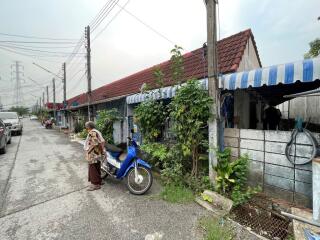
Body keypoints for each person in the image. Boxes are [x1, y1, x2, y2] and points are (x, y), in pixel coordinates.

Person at [83, 121, 105, 191]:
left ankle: (95, 184)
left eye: (86, 127)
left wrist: (88, 151)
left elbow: (94, 143)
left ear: (88, 127)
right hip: (97, 152)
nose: (86, 128)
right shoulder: (96, 131)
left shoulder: (92, 132)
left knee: (92, 168)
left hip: (93, 153)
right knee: (97, 166)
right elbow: (102, 142)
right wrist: (101, 152)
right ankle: (99, 181)